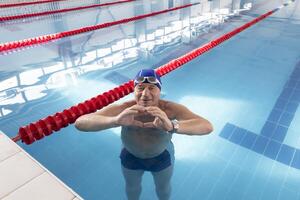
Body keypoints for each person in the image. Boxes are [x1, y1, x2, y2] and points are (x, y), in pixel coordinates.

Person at [75, 69, 213, 200]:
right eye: (140, 88)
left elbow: (206, 126)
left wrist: (172, 126)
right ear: (134, 91)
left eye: (152, 88)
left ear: (160, 91)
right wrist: (115, 121)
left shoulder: (169, 109)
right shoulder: (124, 108)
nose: (145, 94)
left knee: (163, 189)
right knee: (132, 188)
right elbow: (80, 122)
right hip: (131, 155)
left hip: (160, 156)